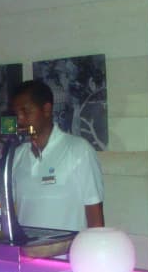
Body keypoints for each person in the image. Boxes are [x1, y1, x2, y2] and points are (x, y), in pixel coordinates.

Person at [10, 79, 104, 232]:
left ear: (46, 109)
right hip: (28, 247)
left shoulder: (79, 150)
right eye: (16, 114)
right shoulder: (16, 155)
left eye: (25, 111)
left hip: (68, 248)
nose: (19, 119)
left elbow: (95, 217)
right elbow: (7, 209)